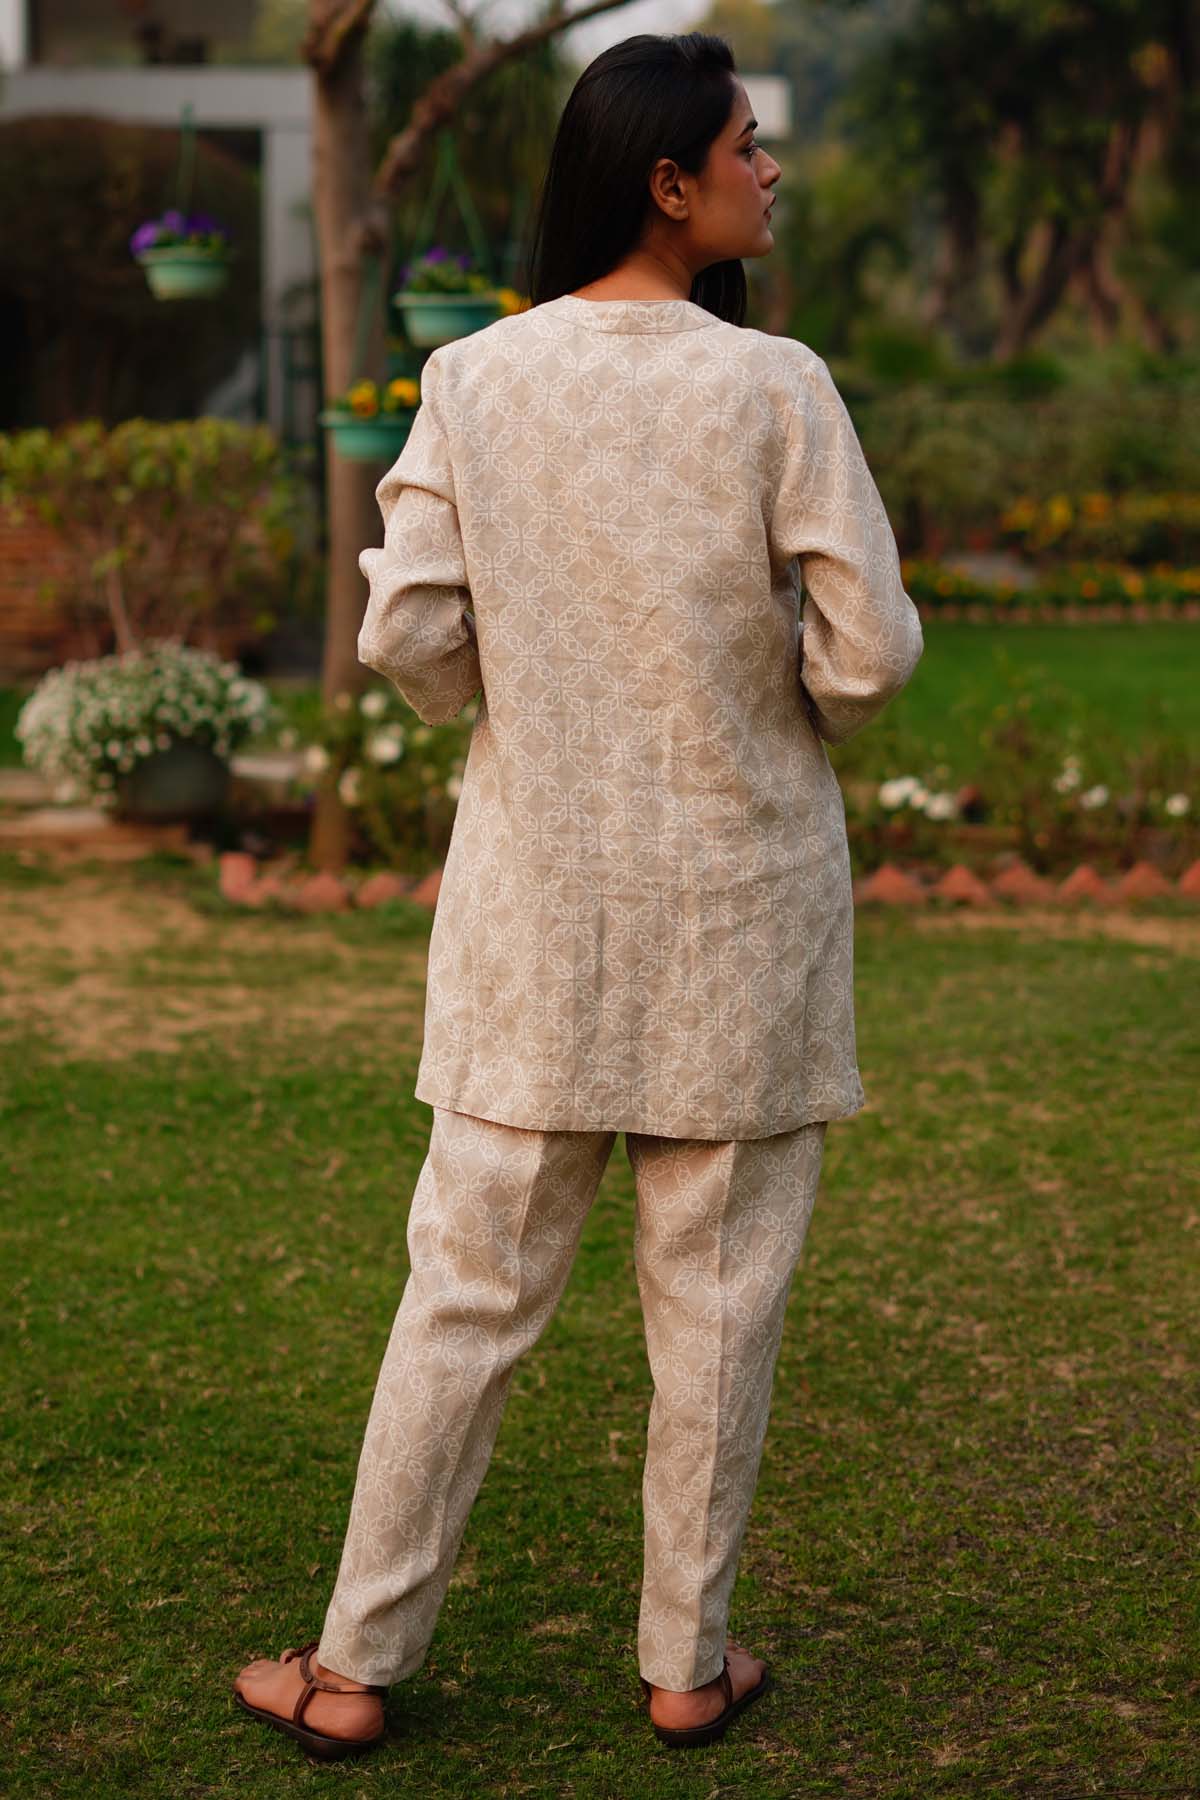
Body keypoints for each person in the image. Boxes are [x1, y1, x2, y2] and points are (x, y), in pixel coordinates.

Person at [232, 29, 923, 1761]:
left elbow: (409, 634)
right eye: (748, 148)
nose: (771, 169)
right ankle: (686, 1663)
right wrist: (767, 690)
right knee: (719, 1310)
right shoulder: (777, 387)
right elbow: (868, 657)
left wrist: (523, 694)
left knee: (463, 1302)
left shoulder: (474, 379)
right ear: (667, 184)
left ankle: (353, 1664)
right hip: (740, 912)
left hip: (536, 916)